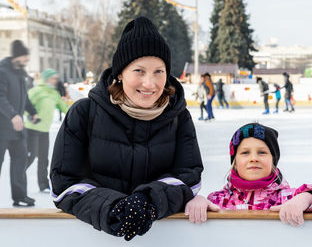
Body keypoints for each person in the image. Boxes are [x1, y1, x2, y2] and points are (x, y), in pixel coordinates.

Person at [49, 16, 204, 241]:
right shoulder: (84, 113)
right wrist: (113, 207)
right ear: (120, 73)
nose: (150, 83)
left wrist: (148, 201)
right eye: (139, 71)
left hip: (163, 240)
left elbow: (189, 178)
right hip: (95, 239)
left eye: (159, 71)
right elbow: (64, 185)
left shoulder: (179, 117)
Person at [186, 123, 312, 224]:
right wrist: (197, 200)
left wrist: (307, 197)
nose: (254, 158)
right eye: (245, 153)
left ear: (273, 160)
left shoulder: (289, 197)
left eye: (262, 152)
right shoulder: (217, 201)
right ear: (234, 161)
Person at [0, 40, 39, 208]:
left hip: (17, 130)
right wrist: (12, 115)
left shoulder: (20, 74)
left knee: (20, 161)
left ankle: (20, 196)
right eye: (25, 57)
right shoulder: (1, 73)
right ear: (17, 56)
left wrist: (32, 112)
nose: (27, 60)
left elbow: (23, 98)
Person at [25, 69, 69, 192]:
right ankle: (18, 177)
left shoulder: (53, 93)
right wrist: (30, 115)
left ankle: (43, 184)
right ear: (46, 79)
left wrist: (79, 111)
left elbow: (64, 107)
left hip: (44, 130)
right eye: (52, 78)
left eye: (56, 78)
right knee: (31, 156)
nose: (55, 81)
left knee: (44, 158)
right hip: (32, 128)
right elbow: (24, 104)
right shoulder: (36, 90)